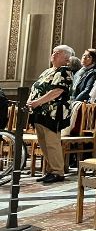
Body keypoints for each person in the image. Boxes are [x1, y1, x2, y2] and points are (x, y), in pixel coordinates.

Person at [27, 44, 75, 184]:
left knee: (52, 142)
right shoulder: (47, 71)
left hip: (53, 112)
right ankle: (50, 170)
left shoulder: (64, 71)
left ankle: (57, 172)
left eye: (58, 53)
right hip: (39, 111)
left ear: (66, 58)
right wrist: (31, 101)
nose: (53, 54)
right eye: (53, 52)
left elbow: (57, 91)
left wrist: (37, 102)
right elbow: (35, 88)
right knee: (43, 142)